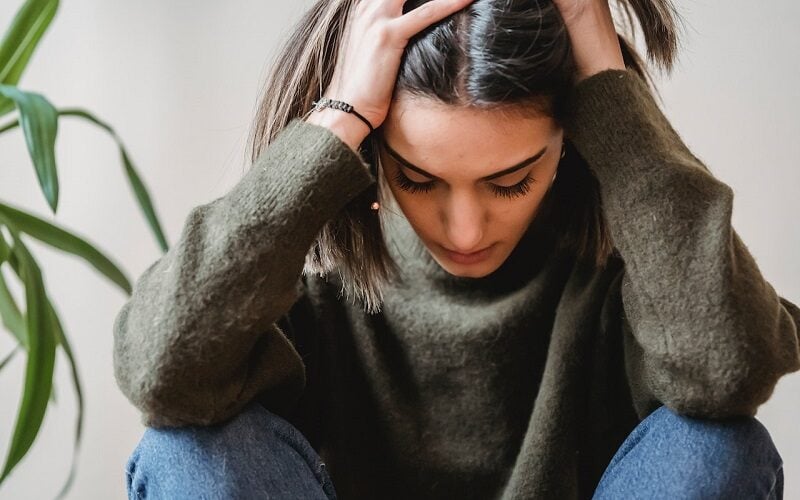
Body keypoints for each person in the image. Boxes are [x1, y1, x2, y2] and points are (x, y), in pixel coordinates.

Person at [114, 0, 799, 498]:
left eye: (511, 182)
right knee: (185, 450)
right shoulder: (300, 275)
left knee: (722, 445)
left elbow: (726, 370)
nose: (464, 231)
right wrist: (341, 112)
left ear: (568, 146)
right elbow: (161, 371)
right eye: (417, 178)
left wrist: (607, 87)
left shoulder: (643, 276)